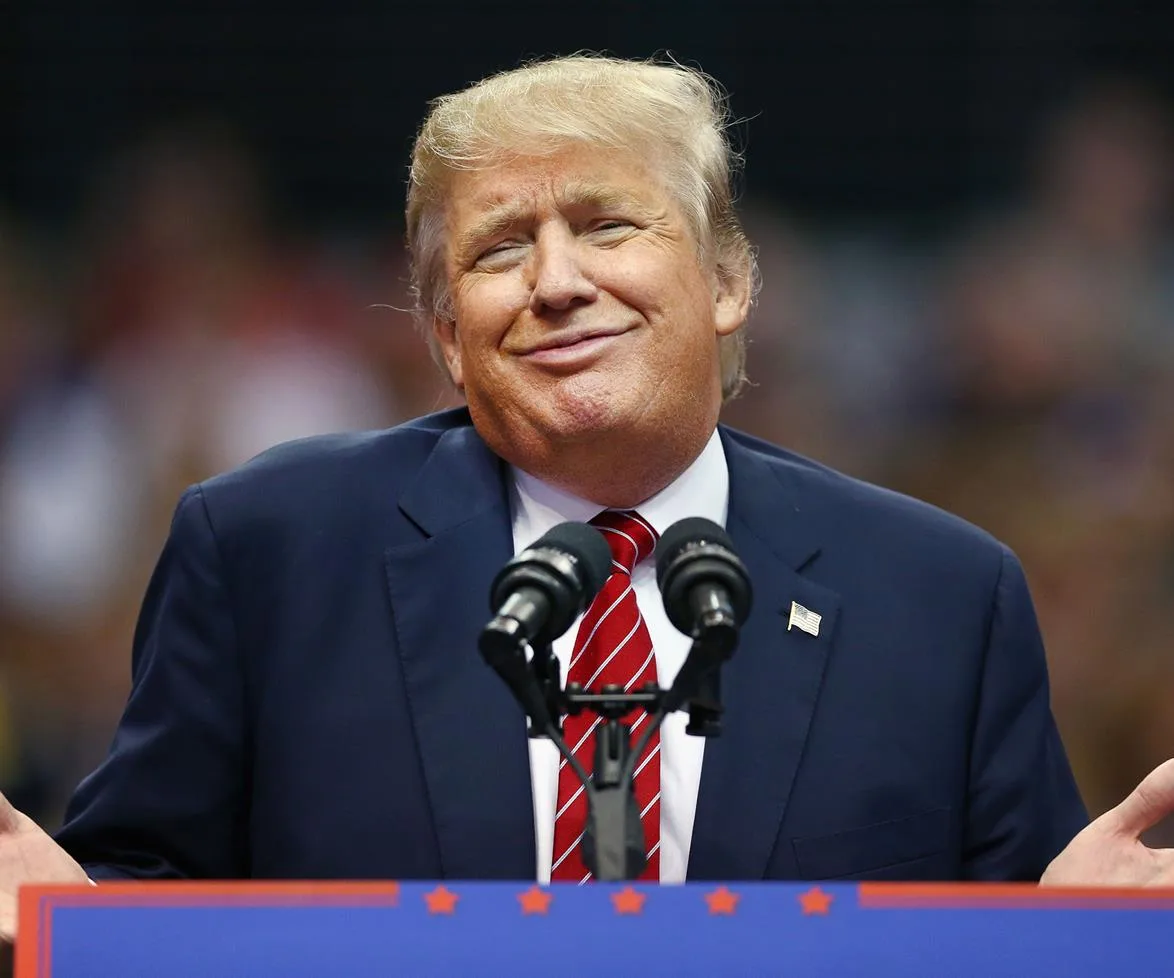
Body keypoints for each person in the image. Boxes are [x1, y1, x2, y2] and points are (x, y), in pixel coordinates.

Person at [3, 54, 1174, 939]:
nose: (558, 283)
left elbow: (1019, 931)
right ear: (445, 335)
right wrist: (69, 921)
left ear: (727, 281)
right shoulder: (268, 553)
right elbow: (136, 905)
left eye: (608, 225)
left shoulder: (940, 596)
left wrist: (1069, 940)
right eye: (500, 249)